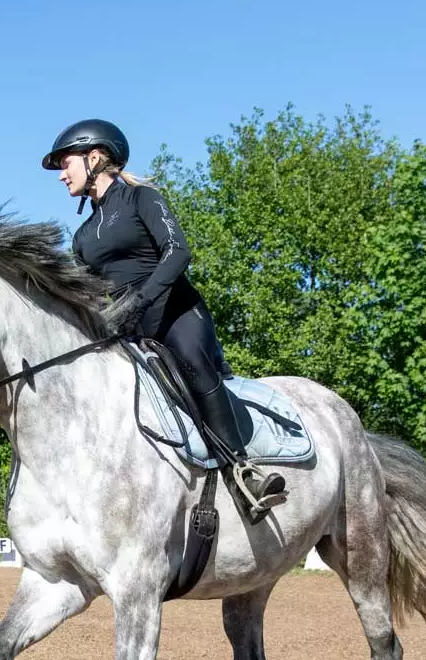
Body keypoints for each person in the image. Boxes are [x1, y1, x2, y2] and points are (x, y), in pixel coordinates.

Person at [42, 118, 286, 517]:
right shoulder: (83, 236)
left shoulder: (144, 199)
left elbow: (178, 253)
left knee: (192, 365)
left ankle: (245, 471)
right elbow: (87, 294)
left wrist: (139, 301)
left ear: (95, 157)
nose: (61, 175)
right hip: (126, 329)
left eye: (65, 163)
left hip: (176, 314)